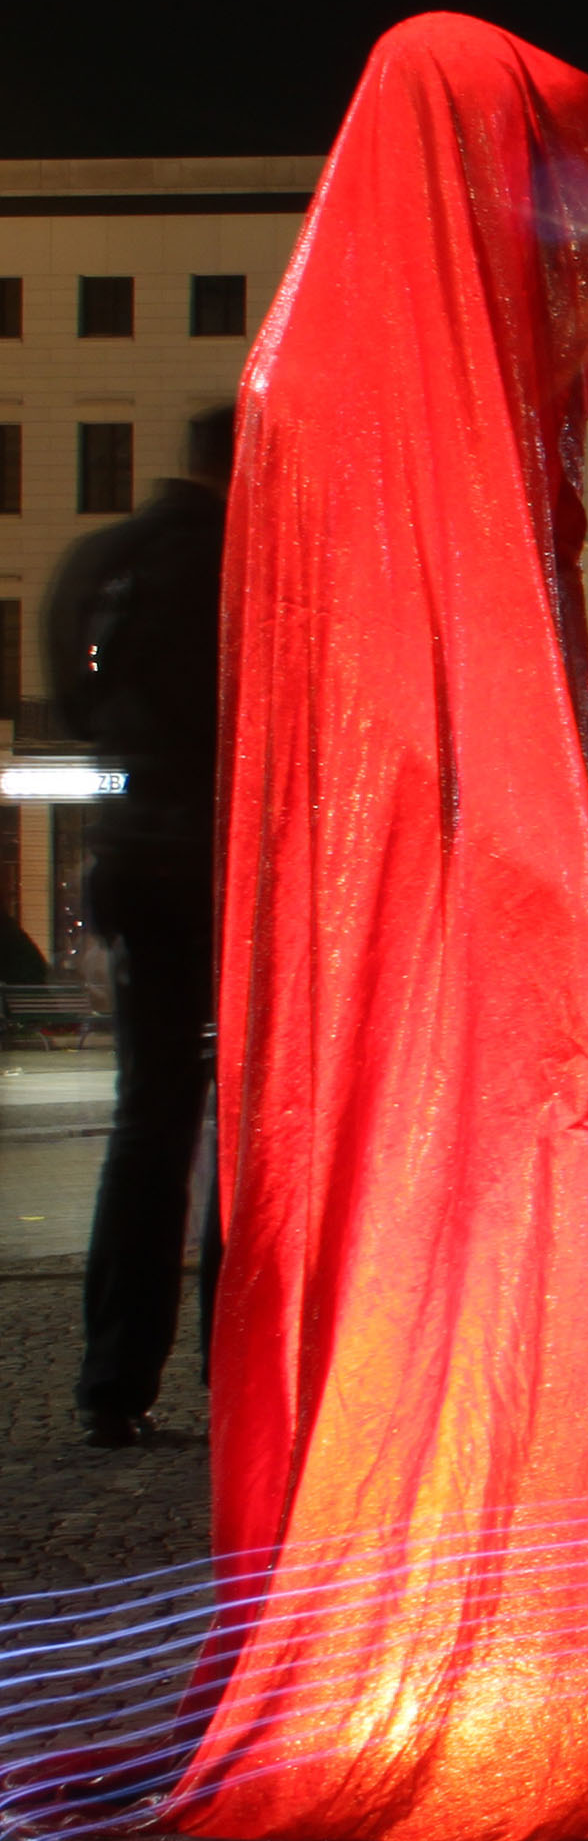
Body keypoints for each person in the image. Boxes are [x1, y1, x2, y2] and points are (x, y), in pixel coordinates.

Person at [51, 400, 229, 1446]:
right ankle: (233, 1359)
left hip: (131, 862)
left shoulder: (98, 560)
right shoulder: (247, 561)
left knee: (146, 1124)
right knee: (248, 1131)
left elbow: (78, 712)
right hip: (225, 867)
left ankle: (113, 1376)